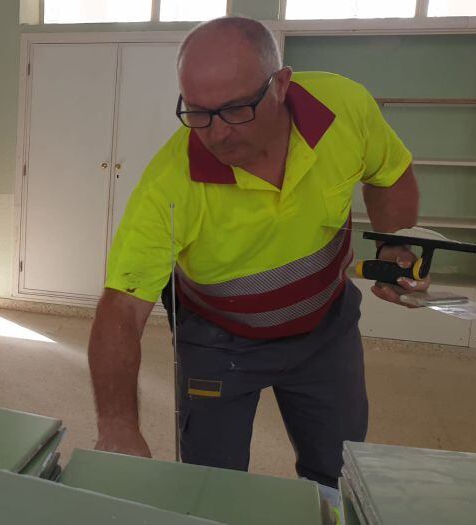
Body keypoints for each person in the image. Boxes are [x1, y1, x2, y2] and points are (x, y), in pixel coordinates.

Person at [88, 16, 423, 498]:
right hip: (218, 341)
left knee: (339, 470)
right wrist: (118, 425)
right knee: (209, 487)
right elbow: (121, 309)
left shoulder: (343, 109)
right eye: (197, 112)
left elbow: (389, 172)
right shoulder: (170, 185)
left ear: (281, 85)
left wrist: (393, 243)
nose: (216, 133)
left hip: (326, 330)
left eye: (234, 110)